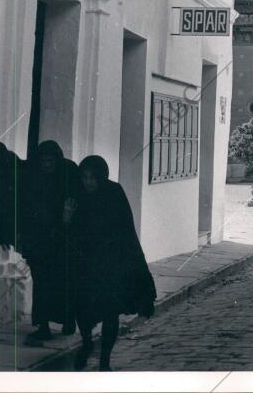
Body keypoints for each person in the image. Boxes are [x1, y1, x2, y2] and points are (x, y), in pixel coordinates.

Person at [66, 155, 157, 371]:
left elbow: (124, 230)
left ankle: (105, 360)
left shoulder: (114, 193)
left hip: (110, 264)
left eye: (93, 178)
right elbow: (69, 233)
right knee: (82, 308)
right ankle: (87, 343)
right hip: (85, 264)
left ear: (102, 177)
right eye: (85, 177)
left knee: (110, 311)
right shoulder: (78, 195)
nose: (88, 182)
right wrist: (67, 217)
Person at [21, 140, 79, 345]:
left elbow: (74, 203)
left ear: (57, 160)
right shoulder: (34, 179)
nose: (46, 165)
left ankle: (68, 321)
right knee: (42, 283)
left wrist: (66, 219)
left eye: (50, 161)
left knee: (65, 281)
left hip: (63, 238)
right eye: (43, 161)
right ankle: (43, 326)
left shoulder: (68, 175)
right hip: (40, 240)